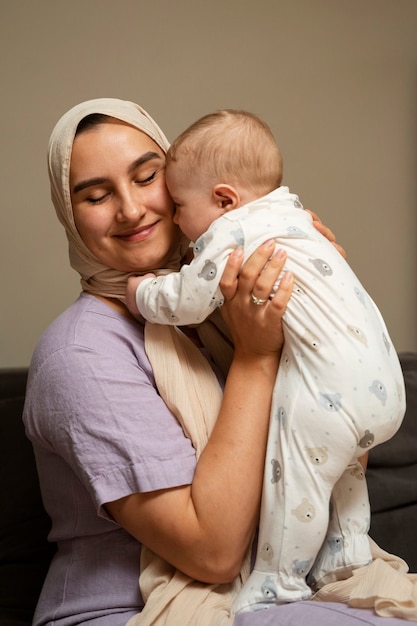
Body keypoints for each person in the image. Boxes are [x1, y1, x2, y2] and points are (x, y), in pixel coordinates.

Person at [22, 98, 406, 626]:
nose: (131, 210)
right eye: (96, 194)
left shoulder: (229, 296)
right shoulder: (81, 354)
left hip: (272, 583)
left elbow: (334, 458)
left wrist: (322, 314)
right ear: (70, 215)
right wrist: (257, 355)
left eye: (147, 176)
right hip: (129, 607)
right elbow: (213, 553)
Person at [125, 109, 406, 614]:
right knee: (338, 472)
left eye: (179, 205)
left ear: (225, 200)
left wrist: (143, 293)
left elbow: (189, 298)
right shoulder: (300, 222)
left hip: (330, 394)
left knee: (293, 475)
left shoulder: (232, 234)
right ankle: (346, 551)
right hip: (384, 388)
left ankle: (280, 580)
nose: (174, 218)